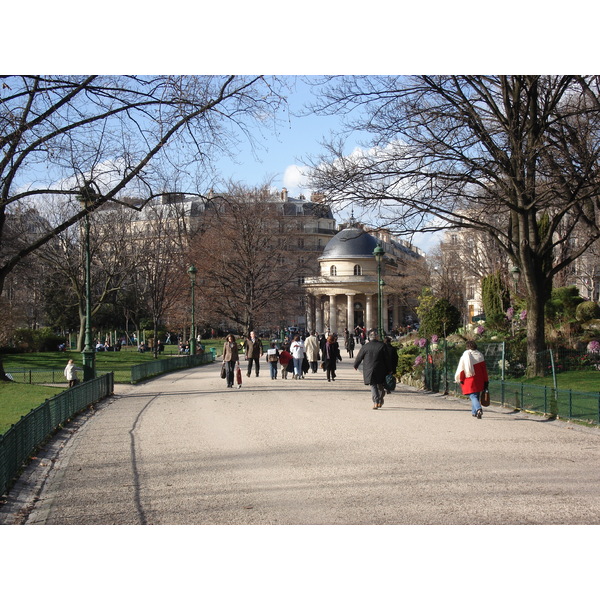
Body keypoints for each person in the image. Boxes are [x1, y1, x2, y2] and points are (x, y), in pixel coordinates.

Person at [353, 330, 393, 409]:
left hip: (369, 369)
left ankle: (375, 402)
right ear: (377, 337)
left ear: (369, 338)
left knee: (373, 385)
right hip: (381, 368)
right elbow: (387, 359)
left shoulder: (366, 346)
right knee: (380, 385)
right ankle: (380, 400)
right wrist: (389, 369)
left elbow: (359, 356)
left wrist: (356, 365)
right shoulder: (382, 345)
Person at [455, 340, 489, 419]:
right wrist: (486, 381)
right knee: (476, 395)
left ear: (467, 347)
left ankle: (478, 409)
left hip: (469, 378)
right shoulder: (480, 355)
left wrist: (461, 379)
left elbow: (461, 369)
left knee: (473, 396)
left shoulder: (465, 355)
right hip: (479, 379)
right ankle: (474, 412)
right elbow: (484, 370)